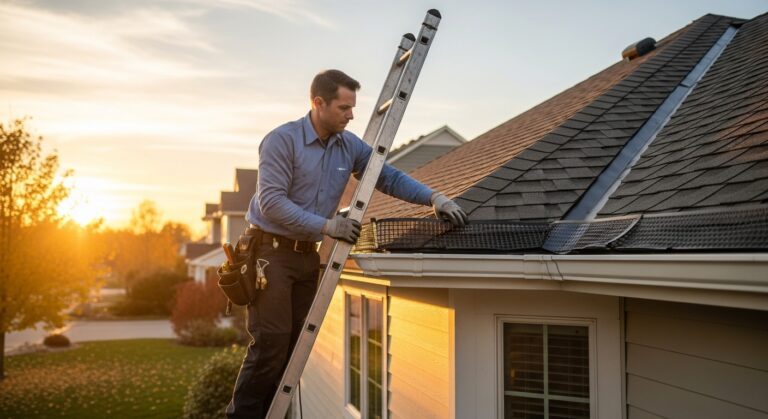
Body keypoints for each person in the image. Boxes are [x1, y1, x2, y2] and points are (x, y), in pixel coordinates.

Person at [226, 69, 467, 418]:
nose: (351, 115)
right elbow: (272, 204)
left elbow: (386, 176)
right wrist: (328, 226)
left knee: (295, 350)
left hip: (306, 258)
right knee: (271, 344)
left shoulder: (348, 145)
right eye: (343, 107)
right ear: (318, 103)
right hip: (269, 255)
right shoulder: (282, 140)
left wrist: (435, 198)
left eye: (353, 108)